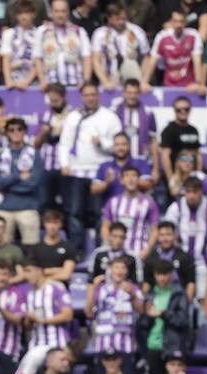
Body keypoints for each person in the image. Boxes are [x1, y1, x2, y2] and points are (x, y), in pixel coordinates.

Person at [56, 81, 121, 252]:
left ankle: (101, 250)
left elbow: (119, 145)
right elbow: (64, 143)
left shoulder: (110, 117)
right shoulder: (73, 117)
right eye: (87, 95)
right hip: (77, 172)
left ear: (98, 95)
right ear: (82, 97)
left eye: (93, 94)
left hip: (99, 173)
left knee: (100, 214)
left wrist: (103, 143)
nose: (90, 98)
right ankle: (76, 251)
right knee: (75, 213)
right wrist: (64, 163)